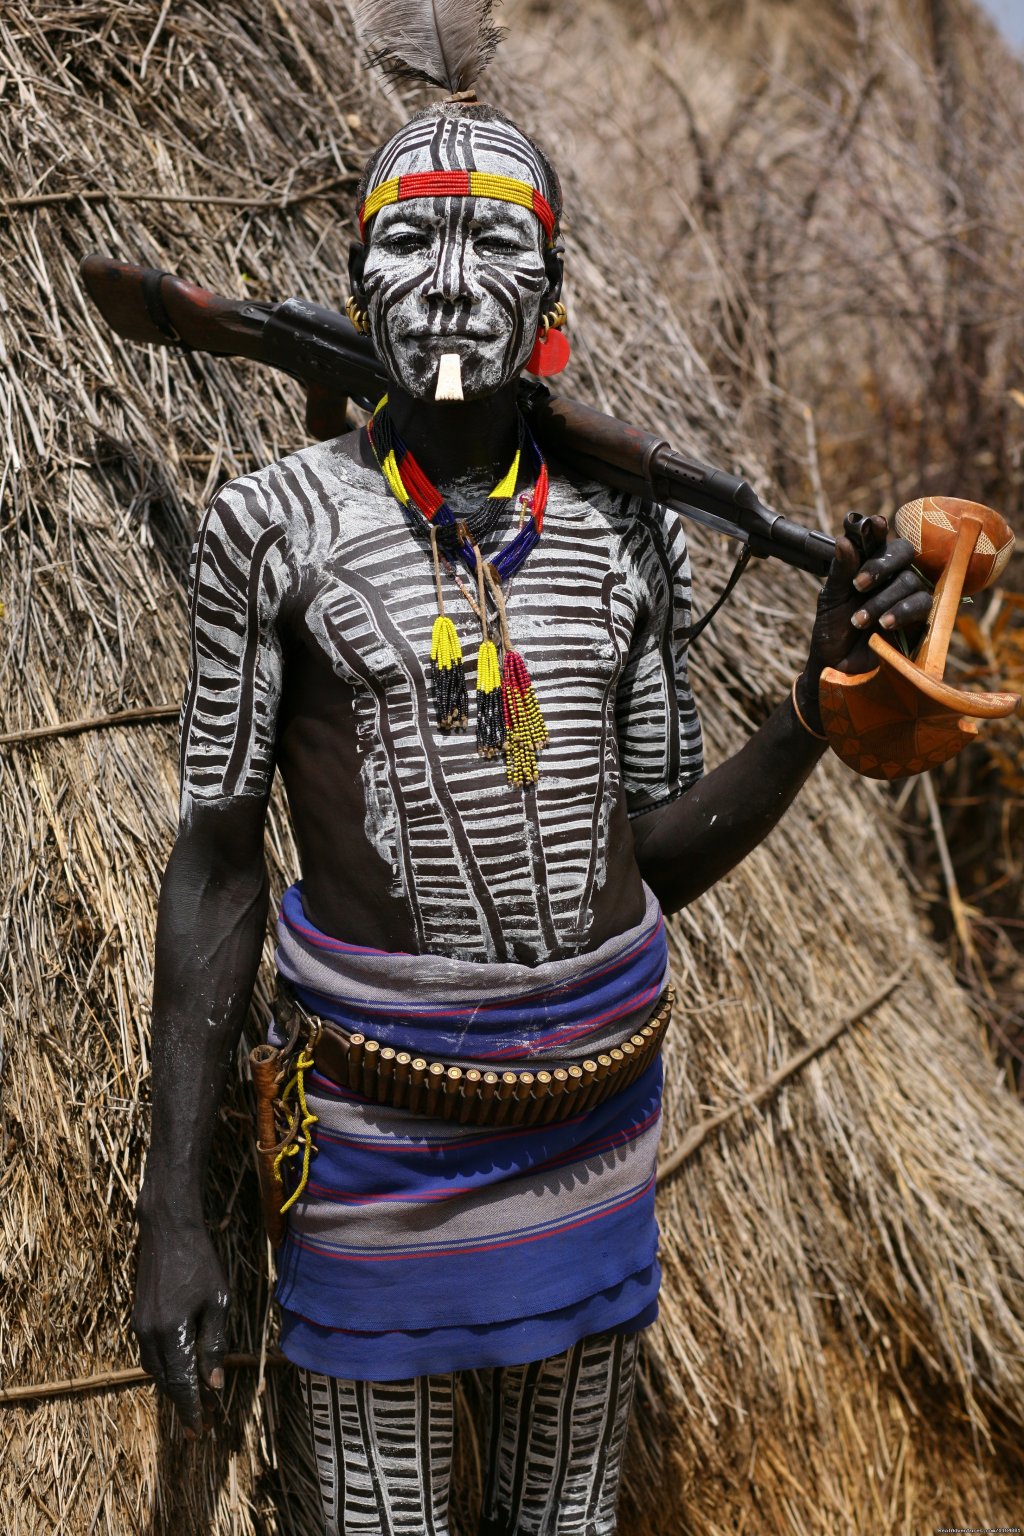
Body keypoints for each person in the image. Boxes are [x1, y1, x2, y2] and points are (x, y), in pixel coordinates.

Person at [130, 42, 931, 1536]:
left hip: (594, 1131)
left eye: (496, 242)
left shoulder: (631, 540)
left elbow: (648, 859)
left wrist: (816, 713)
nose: (450, 281)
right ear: (359, 290)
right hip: (377, 1140)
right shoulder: (272, 528)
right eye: (407, 244)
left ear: (549, 301)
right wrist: (173, 1206)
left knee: (568, 1516)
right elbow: (218, 863)